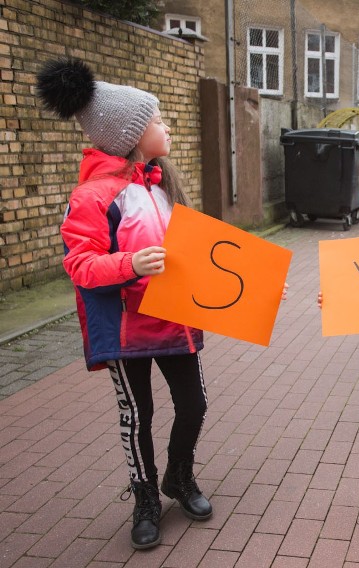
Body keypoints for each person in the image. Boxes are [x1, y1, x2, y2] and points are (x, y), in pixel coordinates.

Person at [35, 58, 221, 549]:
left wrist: (253, 289)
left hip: (176, 322)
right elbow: (81, 266)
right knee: (137, 416)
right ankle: (144, 495)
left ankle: (178, 477)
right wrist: (131, 265)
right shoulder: (92, 197)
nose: (165, 125)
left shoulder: (162, 186)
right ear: (130, 135)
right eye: (157, 119)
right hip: (125, 330)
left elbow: (192, 255)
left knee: (194, 405)